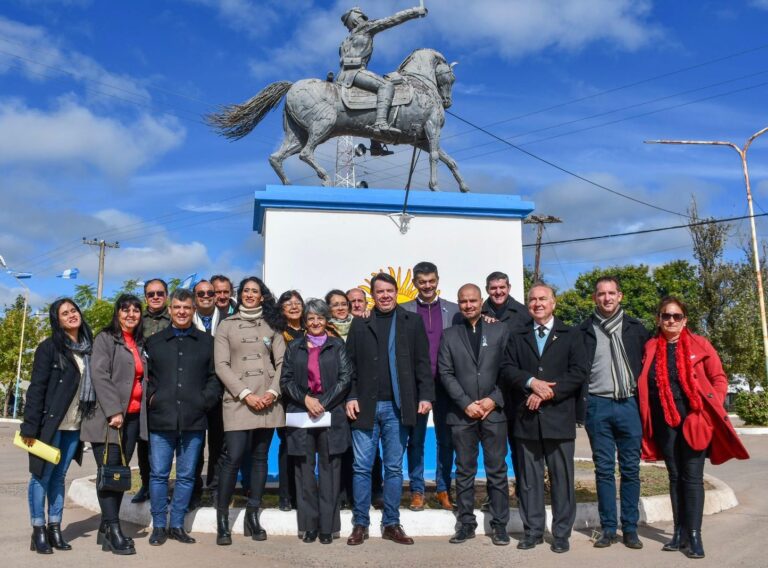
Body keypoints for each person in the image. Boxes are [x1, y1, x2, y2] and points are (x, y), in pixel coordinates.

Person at [637, 296, 749, 559]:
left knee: (693, 477)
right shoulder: (651, 347)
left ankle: (695, 536)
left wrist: (712, 406)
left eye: (676, 316)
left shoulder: (701, 344)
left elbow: (719, 378)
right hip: (665, 420)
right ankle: (679, 533)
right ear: (659, 319)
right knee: (675, 476)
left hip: (695, 420)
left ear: (685, 320)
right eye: (666, 316)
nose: (671, 321)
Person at [345, 272, 433, 546]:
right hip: (366, 407)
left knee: (394, 468)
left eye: (389, 291)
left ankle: (391, 523)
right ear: (373, 295)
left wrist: (426, 395)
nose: (385, 295)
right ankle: (361, 523)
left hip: (399, 407)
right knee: (361, 467)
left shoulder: (412, 322)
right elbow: (349, 367)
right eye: (379, 291)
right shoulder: (360, 325)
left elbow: (422, 362)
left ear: (397, 293)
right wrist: (351, 396)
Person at [501, 282, 587, 554]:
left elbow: (578, 373)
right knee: (529, 480)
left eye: (542, 299)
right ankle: (533, 531)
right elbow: (506, 368)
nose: (537, 304)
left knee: (562, 479)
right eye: (532, 300)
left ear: (553, 302)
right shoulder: (518, 334)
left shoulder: (571, 335)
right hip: (526, 419)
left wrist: (548, 391)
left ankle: (561, 533)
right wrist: (530, 382)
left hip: (559, 419)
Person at [145, 288, 222, 546]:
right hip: (161, 419)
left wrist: (204, 402)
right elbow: (145, 378)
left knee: (187, 475)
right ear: (170, 309)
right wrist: (153, 398)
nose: (181, 312)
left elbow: (214, 378)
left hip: (194, 419)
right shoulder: (154, 343)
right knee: (159, 474)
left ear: (193, 310)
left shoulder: (207, 343)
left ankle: (176, 524)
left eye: (187, 308)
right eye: (177, 307)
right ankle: (158, 525)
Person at [578, 276, 649, 549]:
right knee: (604, 470)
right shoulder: (584, 331)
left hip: (629, 404)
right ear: (595, 298)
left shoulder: (636, 329)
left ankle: (630, 528)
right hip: (598, 405)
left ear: (620, 296)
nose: (606, 298)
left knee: (630, 468)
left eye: (611, 293)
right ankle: (609, 528)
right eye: (601, 294)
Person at [214, 277, 286, 545]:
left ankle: (252, 517)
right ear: (240, 294)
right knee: (233, 458)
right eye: (246, 290)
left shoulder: (273, 324)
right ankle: (223, 521)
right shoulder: (226, 325)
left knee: (259, 459)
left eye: (255, 291)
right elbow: (221, 365)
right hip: (238, 400)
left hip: (268, 400)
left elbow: (282, 362)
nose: (250, 295)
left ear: (262, 296)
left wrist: (272, 392)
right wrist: (245, 394)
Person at [438, 284, 510, 545]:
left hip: (494, 414)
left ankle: (499, 525)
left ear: (482, 301)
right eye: (463, 301)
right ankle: (466, 523)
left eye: (473, 300)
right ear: (458, 304)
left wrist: (493, 399)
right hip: (462, 414)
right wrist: (466, 403)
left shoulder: (500, 330)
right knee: (464, 471)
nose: (468, 305)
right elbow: (445, 373)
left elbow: (509, 369)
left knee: (497, 471)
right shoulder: (450, 335)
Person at [21, 298, 93, 554]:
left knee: (59, 477)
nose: (71, 315)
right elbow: (37, 388)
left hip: (73, 425)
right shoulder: (49, 347)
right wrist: (30, 427)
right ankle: (38, 529)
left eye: (74, 310)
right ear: (58, 320)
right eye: (65, 313)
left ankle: (55, 528)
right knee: (41, 476)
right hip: (48, 426)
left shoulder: (88, 347)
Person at [280, 299, 352, 544]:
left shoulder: (337, 345)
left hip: (330, 413)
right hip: (302, 412)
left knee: (330, 470)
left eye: (320, 318)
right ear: (305, 321)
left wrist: (322, 402)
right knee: (304, 472)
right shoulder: (295, 347)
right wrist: (306, 399)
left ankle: (327, 527)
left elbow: (345, 378)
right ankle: (309, 525)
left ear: (326, 320)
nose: (315, 322)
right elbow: (286, 380)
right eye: (310, 318)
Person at [80, 294, 147, 555]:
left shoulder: (139, 342)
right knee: (109, 474)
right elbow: (100, 374)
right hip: (110, 419)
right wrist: (114, 411)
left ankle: (106, 529)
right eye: (125, 310)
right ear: (117, 313)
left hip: (132, 418)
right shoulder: (106, 338)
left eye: (135, 310)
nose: (131, 314)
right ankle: (113, 529)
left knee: (118, 477)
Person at [401, 261, 460, 511]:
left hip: (447, 385)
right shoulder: (403, 310)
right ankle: (417, 490)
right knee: (416, 440)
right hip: (416, 386)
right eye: (422, 281)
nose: (427, 286)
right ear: (414, 283)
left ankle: (443, 489)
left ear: (437, 281)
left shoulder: (455, 311)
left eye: (431, 281)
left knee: (446, 440)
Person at [337, 4, 427, 135]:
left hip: (341, 76)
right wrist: (415, 12)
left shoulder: (345, 41)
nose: (348, 27)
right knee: (386, 86)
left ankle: (376, 143)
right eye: (361, 18)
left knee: (373, 100)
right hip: (355, 73)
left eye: (347, 25)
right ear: (357, 19)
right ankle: (380, 122)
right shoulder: (365, 28)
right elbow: (392, 20)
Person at [189, 279, 227, 510]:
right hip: (193, 393)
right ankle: (193, 490)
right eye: (200, 292)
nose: (206, 296)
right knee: (193, 445)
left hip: (222, 394)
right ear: (194, 296)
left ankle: (214, 489)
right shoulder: (184, 320)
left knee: (219, 445)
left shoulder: (227, 320)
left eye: (210, 293)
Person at [134, 278, 171, 505]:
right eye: (150, 294)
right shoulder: (138, 319)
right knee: (144, 440)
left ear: (166, 295)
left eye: (159, 293)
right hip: (143, 385)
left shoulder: (174, 317)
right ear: (145, 297)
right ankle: (146, 484)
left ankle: (164, 486)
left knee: (168, 440)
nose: (155, 297)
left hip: (168, 384)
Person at [276, 290, 305, 511]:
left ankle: (303, 493)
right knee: (288, 445)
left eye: (297, 303)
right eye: (289, 304)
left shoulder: (312, 330)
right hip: (287, 398)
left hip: (312, 397)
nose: (294, 307)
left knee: (309, 446)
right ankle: (286, 495)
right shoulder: (277, 334)